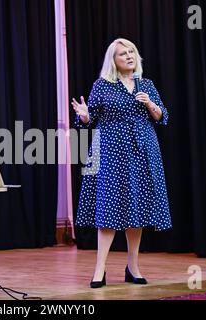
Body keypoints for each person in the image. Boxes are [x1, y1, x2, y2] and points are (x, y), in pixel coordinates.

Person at [71, 38, 172, 288]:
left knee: (135, 208)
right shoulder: (102, 85)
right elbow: (88, 118)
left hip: (142, 149)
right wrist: (83, 116)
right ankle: (99, 270)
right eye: (122, 54)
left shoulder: (146, 84)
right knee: (108, 208)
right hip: (111, 150)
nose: (128, 56)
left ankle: (133, 266)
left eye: (131, 52)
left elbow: (162, 117)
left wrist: (149, 103)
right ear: (113, 61)